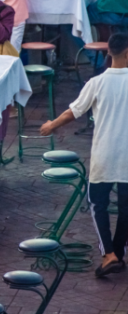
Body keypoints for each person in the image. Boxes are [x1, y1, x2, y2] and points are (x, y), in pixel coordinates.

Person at [40, 33, 128, 278]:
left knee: (97, 204)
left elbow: (73, 112)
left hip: (104, 155)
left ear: (108, 53)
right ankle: (118, 252)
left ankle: (108, 252)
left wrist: (51, 125)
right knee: (125, 208)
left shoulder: (97, 83)